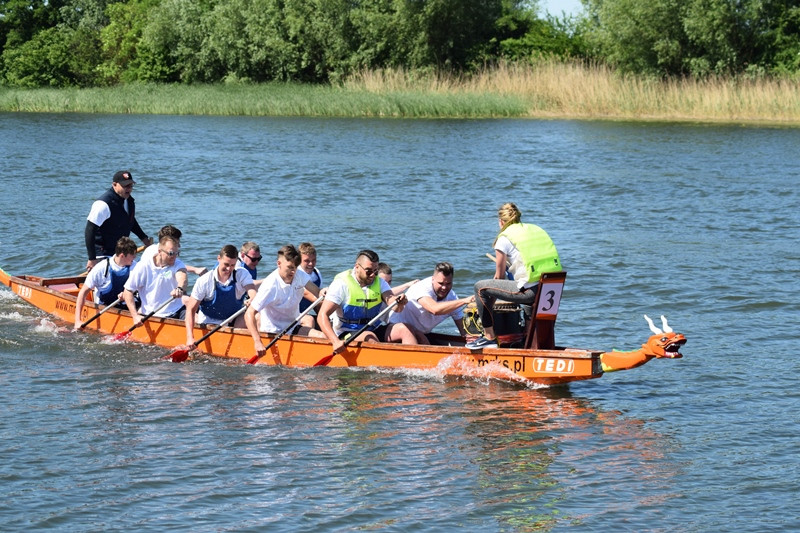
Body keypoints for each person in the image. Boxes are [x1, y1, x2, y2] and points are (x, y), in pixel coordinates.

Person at [466, 202, 562, 350]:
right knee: (529, 308)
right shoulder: (534, 230)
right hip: (552, 288)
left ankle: (489, 337)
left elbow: (499, 278)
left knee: (480, 288)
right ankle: (535, 347)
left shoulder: (503, 239)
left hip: (530, 292)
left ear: (501, 222)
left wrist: (488, 303)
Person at [316, 249, 407, 355]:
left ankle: (414, 367)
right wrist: (335, 341)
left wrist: (400, 303)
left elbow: (395, 306)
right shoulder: (341, 284)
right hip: (346, 332)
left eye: (376, 271)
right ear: (357, 267)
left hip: (373, 328)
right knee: (369, 337)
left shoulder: (380, 282)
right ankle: (383, 367)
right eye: (368, 271)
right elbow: (322, 316)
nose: (373, 275)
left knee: (404, 329)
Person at [245, 245, 326, 359]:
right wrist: (257, 341)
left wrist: (323, 291)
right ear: (279, 264)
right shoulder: (270, 285)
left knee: (323, 337)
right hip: (273, 333)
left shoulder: (299, 274)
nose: (293, 271)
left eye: (295, 267)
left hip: (293, 327)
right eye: (289, 267)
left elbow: (317, 291)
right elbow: (249, 313)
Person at [184, 244, 257, 345]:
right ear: (218, 258)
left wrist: (253, 297)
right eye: (226, 264)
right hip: (208, 321)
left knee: (258, 315)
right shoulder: (204, 280)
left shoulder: (242, 274)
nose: (229, 269)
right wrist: (190, 338)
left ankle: (258, 344)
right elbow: (191, 309)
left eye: (232, 265)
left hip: (233, 319)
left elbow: (251, 289)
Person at [385, 262, 473, 345]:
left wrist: (470, 338)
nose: (444, 287)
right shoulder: (422, 287)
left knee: (422, 338)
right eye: (441, 283)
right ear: (433, 279)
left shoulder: (452, 298)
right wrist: (464, 301)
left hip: (421, 333)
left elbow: (464, 332)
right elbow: (434, 309)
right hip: (393, 328)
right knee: (415, 334)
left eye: (448, 283)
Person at [84, 170, 152, 272]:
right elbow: (90, 230)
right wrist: (92, 258)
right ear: (114, 185)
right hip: (103, 254)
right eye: (125, 186)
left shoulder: (128, 201)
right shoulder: (103, 204)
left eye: (130, 186)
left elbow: (130, 221)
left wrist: (144, 239)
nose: (129, 189)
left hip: (120, 252)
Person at [74, 237, 138, 329]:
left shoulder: (135, 266)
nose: (135, 257)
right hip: (106, 307)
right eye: (132, 255)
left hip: (127, 306)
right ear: (122, 255)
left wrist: (127, 294)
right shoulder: (101, 268)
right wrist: (77, 321)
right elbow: (83, 293)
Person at [122, 234, 188, 324]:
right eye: (171, 253)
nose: (174, 257)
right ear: (160, 251)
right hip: (152, 315)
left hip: (177, 310)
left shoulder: (177, 264)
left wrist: (180, 288)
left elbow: (182, 277)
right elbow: (128, 291)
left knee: (195, 318)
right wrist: (135, 316)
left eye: (177, 253)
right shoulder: (143, 266)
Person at [139, 225, 207, 276]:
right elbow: (176, 265)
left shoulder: (157, 249)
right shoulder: (155, 252)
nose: (179, 245)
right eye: (177, 242)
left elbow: (177, 264)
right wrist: (195, 270)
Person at [298, 242, 323, 313]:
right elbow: (311, 296)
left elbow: (318, 300)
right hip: (292, 315)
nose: (311, 264)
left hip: (304, 314)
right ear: (299, 260)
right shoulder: (296, 273)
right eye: (307, 261)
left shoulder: (317, 272)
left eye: (313, 260)